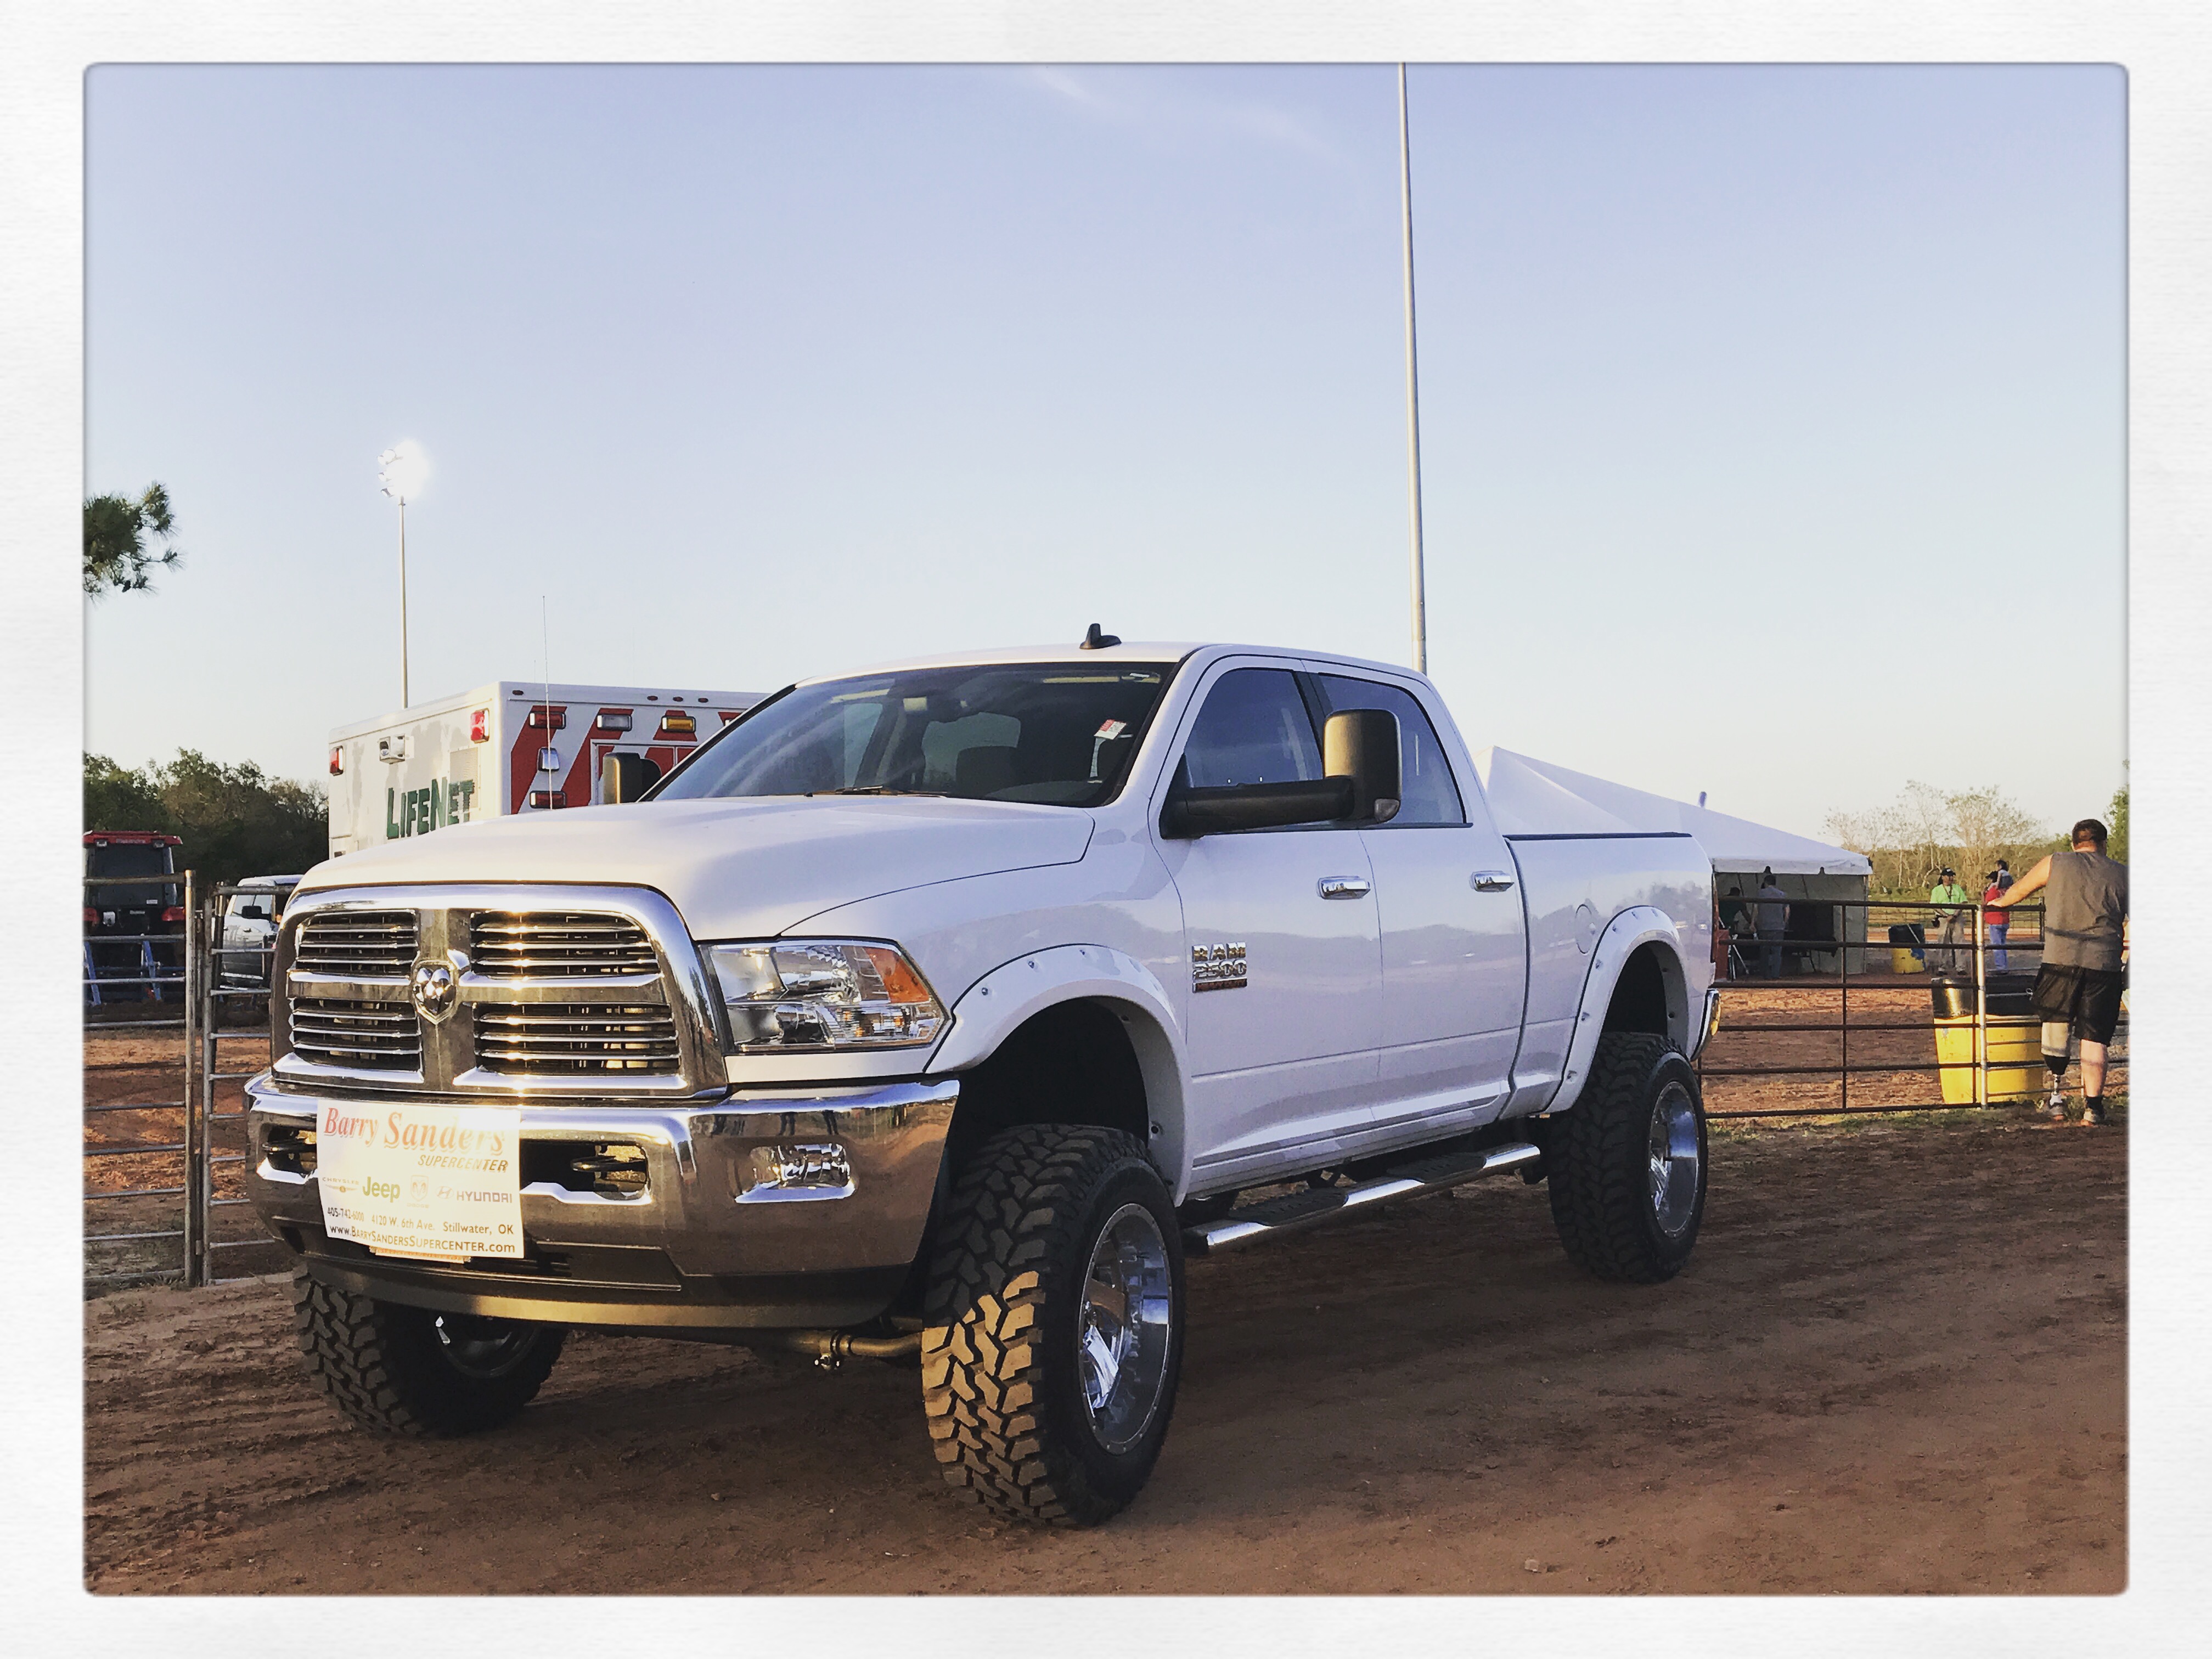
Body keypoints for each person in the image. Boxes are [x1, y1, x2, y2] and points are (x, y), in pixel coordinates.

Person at [1993, 818, 2128, 1126]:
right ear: (2103, 844)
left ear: (2073, 843)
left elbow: (2017, 893)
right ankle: (2094, 1108)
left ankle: (2056, 1099)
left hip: (2060, 960)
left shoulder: (2054, 863)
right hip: (2104, 964)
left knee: (2056, 1025)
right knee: (2095, 1038)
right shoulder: (2123, 873)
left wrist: (1996, 903)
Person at [1929, 866, 1971, 974]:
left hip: (1957, 917)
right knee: (1943, 942)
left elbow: (1963, 903)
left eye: (1952, 876)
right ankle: (1942, 967)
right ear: (1943, 877)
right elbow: (1935, 905)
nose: (1951, 878)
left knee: (1959, 942)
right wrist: (1946, 916)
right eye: (1949, 876)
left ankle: (1960, 967)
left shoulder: (1957, 888)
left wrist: (1955, 915)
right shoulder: (1937, 890)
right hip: (1944, 919)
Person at [1755, 869, 1789, 980]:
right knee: (1777, 952)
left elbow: (1755, 909)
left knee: (1764, 951)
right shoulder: (1782, 895)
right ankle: (1775, 974)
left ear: (1765, 883)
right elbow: (1787, 910)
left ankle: (1765, 974)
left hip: (1764, 926)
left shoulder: (1760, 894)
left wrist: (1752, 923)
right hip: (1778, 927)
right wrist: (1784, 922)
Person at [1982, 866, 2013, 972]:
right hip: (2004, 920)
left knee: (1997, 945)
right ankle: (2004, 966)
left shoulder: (1993, 891)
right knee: (2002, 945)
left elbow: (1985, 904)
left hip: (1995, 921)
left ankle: (2001, 968)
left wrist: (1983, 894)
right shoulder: (2005, 891)